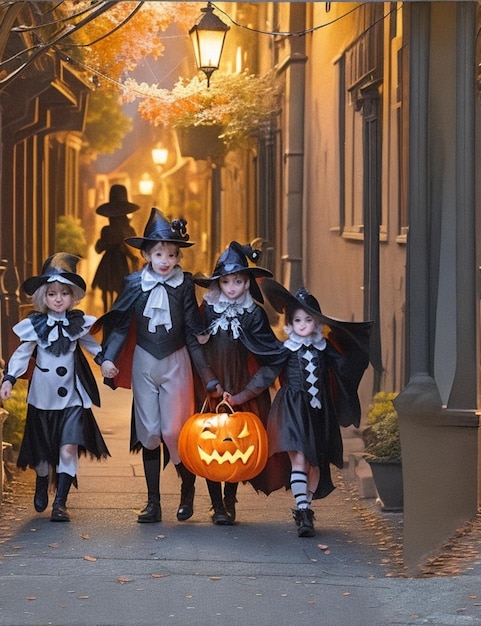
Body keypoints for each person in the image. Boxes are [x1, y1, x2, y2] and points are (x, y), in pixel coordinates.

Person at [93, 208, 217, 524]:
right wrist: (108, 357)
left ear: (178, 257)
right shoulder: (135, 284)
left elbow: (191, 328)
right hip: (144, 362)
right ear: (147, 253)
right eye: (159, 253)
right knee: (149, 432)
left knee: (175, 431)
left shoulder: (184, 285)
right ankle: (153, 502)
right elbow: (120, 324)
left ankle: (187, 493)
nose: (165, 259)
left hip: (176, 361)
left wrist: (207, 370)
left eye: (172, 254)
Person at [0, 253, 110, 522]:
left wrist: (105, 361)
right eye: (52, 293)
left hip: (72, 398)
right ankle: (41, 479)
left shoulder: (78, 324)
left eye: (64, 293)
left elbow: (93, 346)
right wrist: (9, 379)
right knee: (43, 455)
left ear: (73, 297)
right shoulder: (35, 326)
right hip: (42, 399)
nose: (58, 298)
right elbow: (22, 355)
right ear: (43, 297)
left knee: (68, 448)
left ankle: (60, 502)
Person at [260, 278, 372, 538]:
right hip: (291, 409)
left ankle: (305, 504)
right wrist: (241, 394)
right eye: (297, 320)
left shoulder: (324, 349)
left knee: (314, 465)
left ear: (317, 323)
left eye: (308, 320)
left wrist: (351, 342)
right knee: (298, 459)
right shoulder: (286, 349)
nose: (303, 325)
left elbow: (345, 366)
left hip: (318, 412)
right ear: (289, 323)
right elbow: (265, 375)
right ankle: (303, 513)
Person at [194, 242, 289, 524]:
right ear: (218, 283)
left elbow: (270, 355)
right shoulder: (208, 309)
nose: (232, 287)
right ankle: (215, 504)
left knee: (233, 443)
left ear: (247, 282)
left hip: (240, 385)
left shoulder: (254, 314)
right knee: (207, 442)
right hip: (210, 384)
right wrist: (210, 381)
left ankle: (230, 498)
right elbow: (195, 347)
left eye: (238, 281)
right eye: (226, 281)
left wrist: (247, 392)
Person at [92, 184, 140, 313]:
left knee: (113, 289)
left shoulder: (113, 230)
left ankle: (112, 312)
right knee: (116, 289)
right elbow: (100, 247)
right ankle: (113, 313)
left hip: (114, 263)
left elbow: (99, 248)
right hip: (116, 263)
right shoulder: (124, 229)